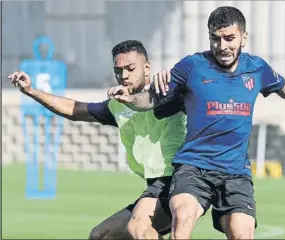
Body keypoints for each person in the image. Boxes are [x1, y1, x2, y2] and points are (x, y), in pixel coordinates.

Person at [111, 6, 285, 240]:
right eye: (215, 38)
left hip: (235, 172)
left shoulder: (257, 68)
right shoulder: (192, 66)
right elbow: (152, 99)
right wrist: (129, 99)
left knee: (242, 233)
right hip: (193, 167)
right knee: (181, 223)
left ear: (243, 37)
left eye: (229, 38)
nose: (222, 46)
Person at [8, 40, 186, 240]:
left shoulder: (167, 93)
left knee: (139, 228)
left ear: (146, 68)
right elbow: (74, 110)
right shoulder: (117, 106)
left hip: (181, 181)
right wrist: (31, 91)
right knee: (102, 236)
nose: (124, 75)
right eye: (118, 70)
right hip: (156, 184)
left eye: (130, 68)